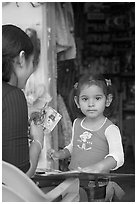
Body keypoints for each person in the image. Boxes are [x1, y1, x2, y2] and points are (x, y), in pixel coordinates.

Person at [48, 73, 124, 201]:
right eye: (85, 99)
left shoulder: (110, 129)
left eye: (97, 98)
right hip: (74, 182)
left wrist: (98, 167)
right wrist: (60, 154)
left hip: (97, 186)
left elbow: (118, 157)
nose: (91, 104)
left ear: (108, 100)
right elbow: (73, 146)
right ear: (77, 102)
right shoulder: (77, 123)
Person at [2, 24, 44, 178]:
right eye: (32, 62)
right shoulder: (13, 96)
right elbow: (20, 175)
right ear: (21, 59)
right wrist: (38, 142)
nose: (32, 70)